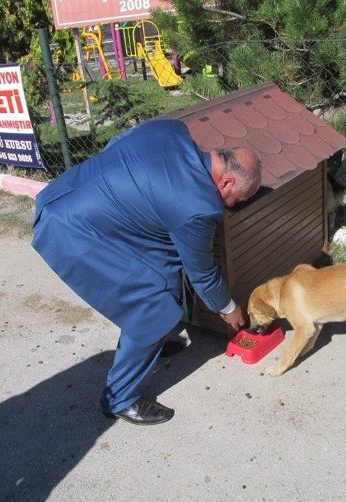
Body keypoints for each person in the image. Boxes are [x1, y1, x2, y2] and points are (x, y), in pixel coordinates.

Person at [32, 118, 262, 425]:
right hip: (72, 232)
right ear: (227, 182)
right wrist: (229, 309)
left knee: (165, 268)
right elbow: (203, 274)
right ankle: (120, 398)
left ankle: (149, 345)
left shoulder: (171, 130)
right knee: (151, 306)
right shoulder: (197, 205)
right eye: (240, 200)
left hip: (65, 194)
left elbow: (116, 146)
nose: (234, 206)